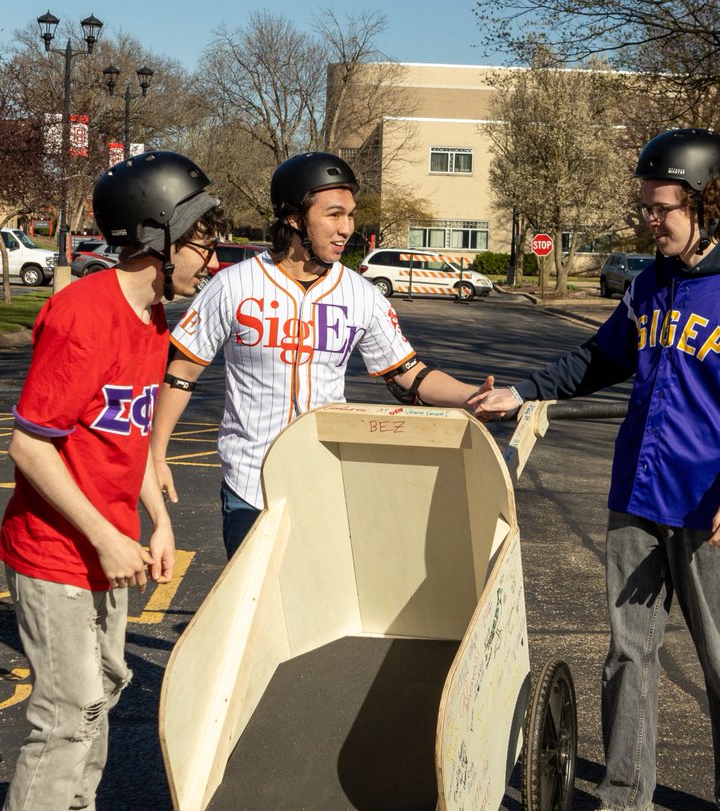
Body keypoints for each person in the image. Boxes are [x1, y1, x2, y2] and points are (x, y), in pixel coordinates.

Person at [470, 127, 720, 811]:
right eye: (646, 208)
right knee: (627, 651)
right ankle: (625, 793)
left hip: (712, 506)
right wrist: (522, 391)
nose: (649, 221)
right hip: (637, 495)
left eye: (662, 210)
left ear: (708, 205)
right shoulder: (649, 285)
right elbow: (598, 360)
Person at [0, 152, 223, 811]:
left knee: (110, 682)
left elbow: (126, 442)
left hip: (110, 540)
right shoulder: (83, 316)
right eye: (202, 242)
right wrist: (107, 534)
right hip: (56, 550)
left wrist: (156, 519)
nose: (211, 259)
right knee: (66, 711)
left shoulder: (154, 320)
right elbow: (31, 447)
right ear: (158, 235)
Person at [151, 151, 490, 557]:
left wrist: (472, 396)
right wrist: (156, 455)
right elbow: (181, 372)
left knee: (315, 612)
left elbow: (409, 375)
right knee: (254, 612)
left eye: (350, 215)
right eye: (333, 215)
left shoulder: (361, 294)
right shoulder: (234, 285)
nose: (346, 228)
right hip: (248, 484)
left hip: (324, 480)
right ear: (294, 217)